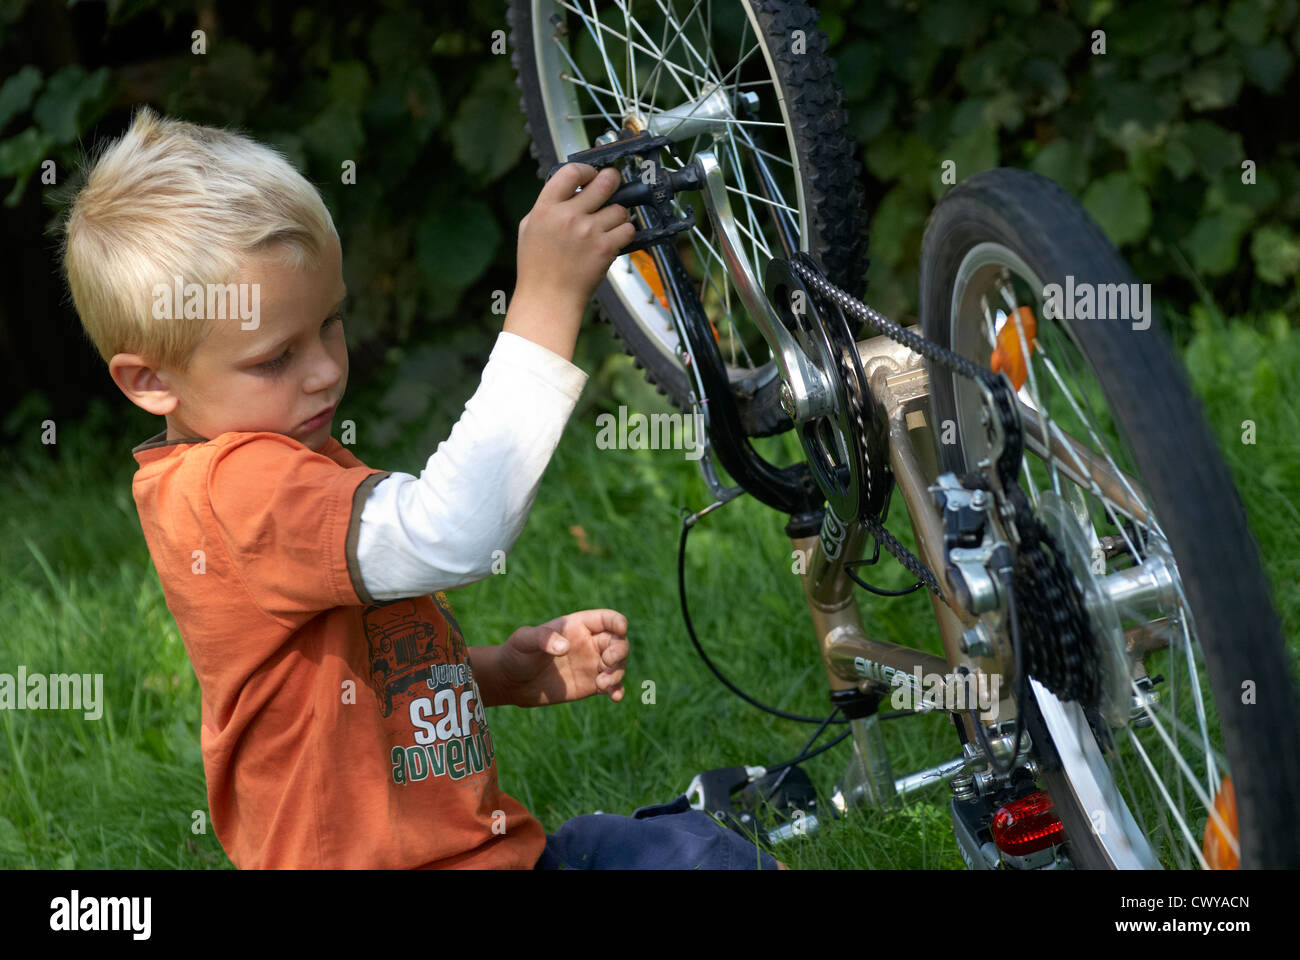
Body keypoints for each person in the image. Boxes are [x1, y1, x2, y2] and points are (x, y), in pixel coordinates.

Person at [60, 106, 784, 870]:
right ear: (150, 382)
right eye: (275, 358)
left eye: (330, 324)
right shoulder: (235, 492)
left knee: (682, 850)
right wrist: (546, 298)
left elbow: (343, 685)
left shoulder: (272, 459)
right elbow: (454, 532)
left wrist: (497, 673)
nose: (326, 371)